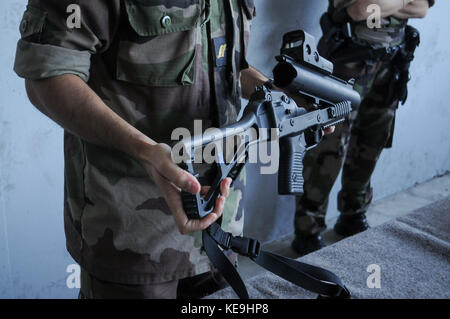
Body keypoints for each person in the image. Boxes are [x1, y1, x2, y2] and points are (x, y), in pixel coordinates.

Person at [14, 0, 275, 299]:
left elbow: (222, 60)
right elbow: (46, 76)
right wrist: (145, 151)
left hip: (221, 220)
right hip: (132, 235)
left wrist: (276, 93)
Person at [292, 0, 434, 256]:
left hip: (392, 62)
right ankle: (308, 228)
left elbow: (422, 8)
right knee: (329, 145)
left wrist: (387, 4)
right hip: (349, 61)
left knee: (372, 140)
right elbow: (361, 9)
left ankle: (353, 213)